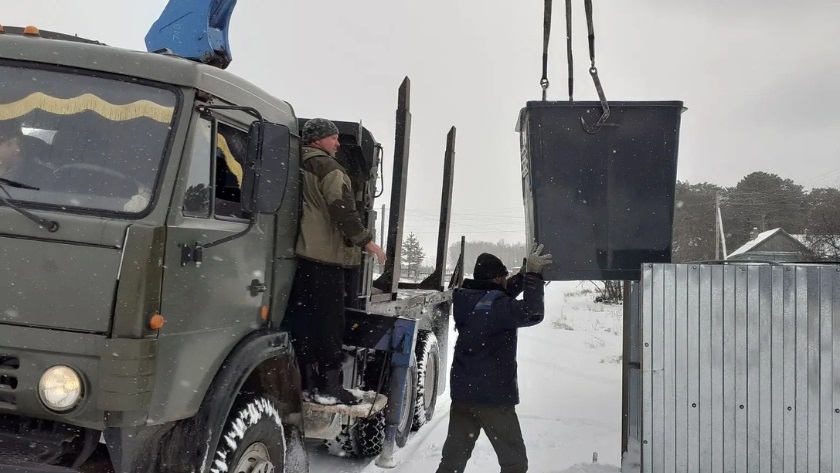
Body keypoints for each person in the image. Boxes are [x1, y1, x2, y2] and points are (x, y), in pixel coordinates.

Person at [287, 117, 386, 406]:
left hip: (301, 257)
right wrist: (366, 241)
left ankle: (305, 381)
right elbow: (342, 208)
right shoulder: (329, 167)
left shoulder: (293, 160)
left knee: (302, 321)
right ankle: (329, 386)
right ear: (318, 139)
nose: (338, 142)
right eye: (333, 137)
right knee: (330, 323)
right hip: (325, 258)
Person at [435, 243, 552, 473]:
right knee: (515, 463)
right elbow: (532, 312)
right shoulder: (497, 306)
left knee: (452, 463)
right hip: (493, 398)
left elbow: (496, 296)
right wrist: (533, 276)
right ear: (498, 279)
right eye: (505, 278)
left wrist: (521, 276)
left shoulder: (466, 299)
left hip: (463, 396)